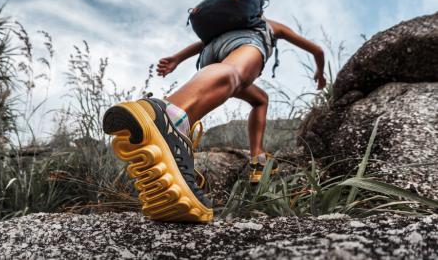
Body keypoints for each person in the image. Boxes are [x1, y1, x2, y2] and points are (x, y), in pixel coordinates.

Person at [103, 17, 326, 223]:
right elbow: (317, 50)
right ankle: (166, 115)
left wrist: (177, 58)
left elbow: (202, 44)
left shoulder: (226, 26)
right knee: (234, 73)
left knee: (260, 98)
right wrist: (320, 72)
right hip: (243, 47)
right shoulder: (264, 23)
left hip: (210, 55)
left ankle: (254, 156)